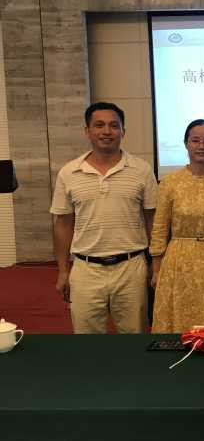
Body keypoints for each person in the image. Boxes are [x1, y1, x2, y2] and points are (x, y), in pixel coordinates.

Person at [51, 102, 157, 334]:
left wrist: (155, 264)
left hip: (131, 267)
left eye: (114, 126)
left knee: (134, 337)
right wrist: (62, 270)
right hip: (85, 268)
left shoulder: (141, 170)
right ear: (87, 131)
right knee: (87, 340)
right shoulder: (69, 172)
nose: (106, 131)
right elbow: (63, 225)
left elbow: (153, 220)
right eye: (99, 125)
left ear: (123, 131)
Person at [149, 119, 204, 333]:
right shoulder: (170, 182)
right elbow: (160, 226)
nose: (201, 146)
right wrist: (156, 268)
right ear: (186, 144)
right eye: (195, 140)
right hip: (178, 259)